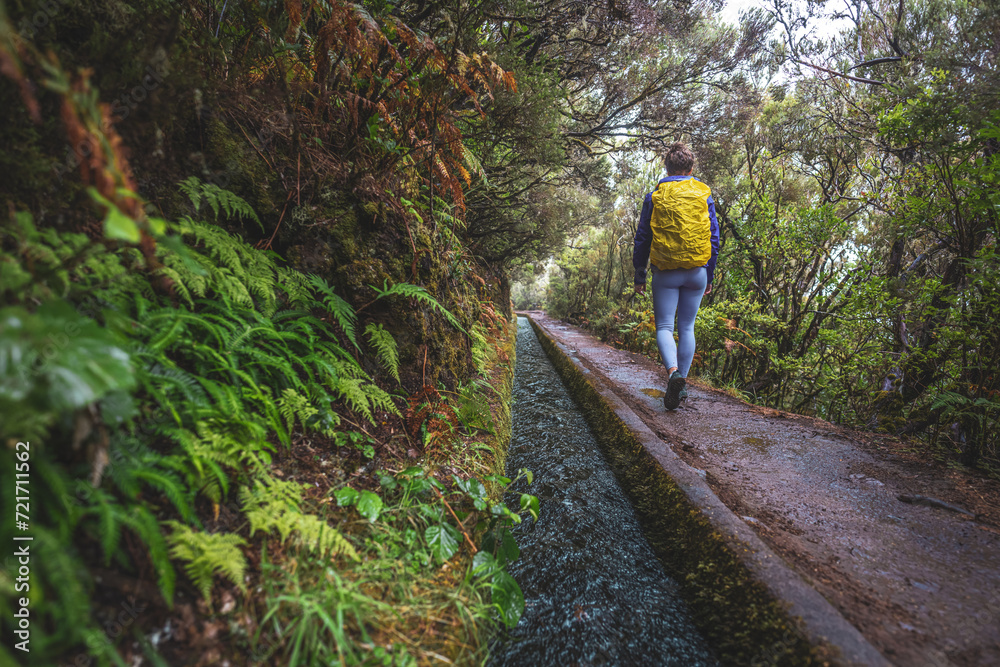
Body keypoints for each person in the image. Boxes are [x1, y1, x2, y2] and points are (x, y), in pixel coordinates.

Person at [632, 142, 720, 410]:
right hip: (697, 272)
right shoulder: (704, 193)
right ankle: (681, 388)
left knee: (665, 328)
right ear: (691, 168)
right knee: (687, 328)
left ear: (667, 168)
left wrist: (639, 274)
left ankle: (673, 375)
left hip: (666, 272)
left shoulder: (655, 195)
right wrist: (710, 274)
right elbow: (714, 237)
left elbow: (643, 238)